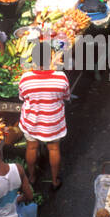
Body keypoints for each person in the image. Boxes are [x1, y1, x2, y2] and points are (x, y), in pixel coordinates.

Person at [18, 51, 70, 189]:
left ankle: (32, 177)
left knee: (31, 147)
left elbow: (22, 97)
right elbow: (66, 95)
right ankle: (54, 181)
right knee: (53, 148)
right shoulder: (61, 77)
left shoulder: (26, 78)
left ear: (33, 61)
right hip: (52, 122)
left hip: (31, 121)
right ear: (50, 59)